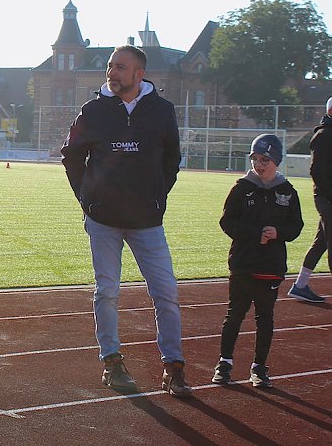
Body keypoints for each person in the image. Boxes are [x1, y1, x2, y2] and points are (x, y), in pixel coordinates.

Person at [60, 45, 193, 397]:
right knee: (107, 292)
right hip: (103, 219)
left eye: (120, 67)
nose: (111, 72)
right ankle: (112, 362)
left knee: (166, 293)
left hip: (147, 221)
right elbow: (71, 156)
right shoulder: (93, 110)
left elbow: (172, 160)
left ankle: (174, 367)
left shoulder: (162, 111)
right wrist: (87, 199)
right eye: (109, 66)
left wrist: (156, 197)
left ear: (138, 74)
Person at [213, 134, 303, 387]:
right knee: (235, 314)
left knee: (265, 318)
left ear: (276, 161)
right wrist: (254, 235)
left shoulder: (287, 192)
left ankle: (259, 368)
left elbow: (296, 226)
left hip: (271, 266)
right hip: (243, 263)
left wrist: (279, 233)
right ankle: (225, 363)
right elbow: (227, 222)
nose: (259, 164)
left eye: (265, 159)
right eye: (255, 159)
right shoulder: (241, 189)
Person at [288, 97, 332, 303]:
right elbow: (316, 171)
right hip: (327, 198)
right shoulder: (323, 136)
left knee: (321, 242)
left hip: (327, 197)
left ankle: (301, 285)